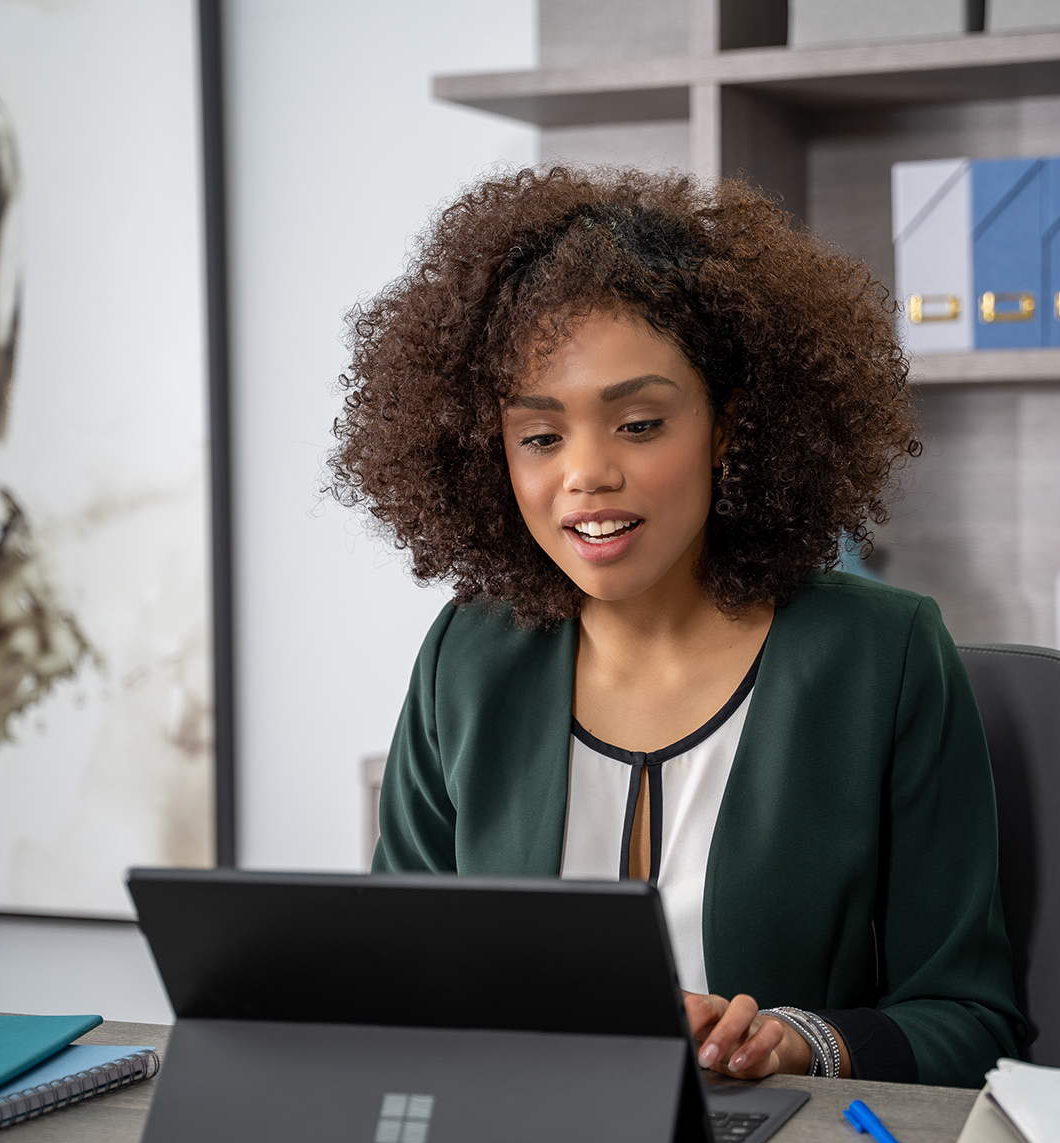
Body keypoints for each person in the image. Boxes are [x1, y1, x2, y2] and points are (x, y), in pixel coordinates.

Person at [330, 167, 1024, 1088]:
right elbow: (396, 978)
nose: (585, 475)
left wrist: (800, 1042)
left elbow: (972, 1020)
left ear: (730, 427)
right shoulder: (468, 654)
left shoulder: (881, 656)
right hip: (517, 1141)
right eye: (541, 437)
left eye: (641, 423)